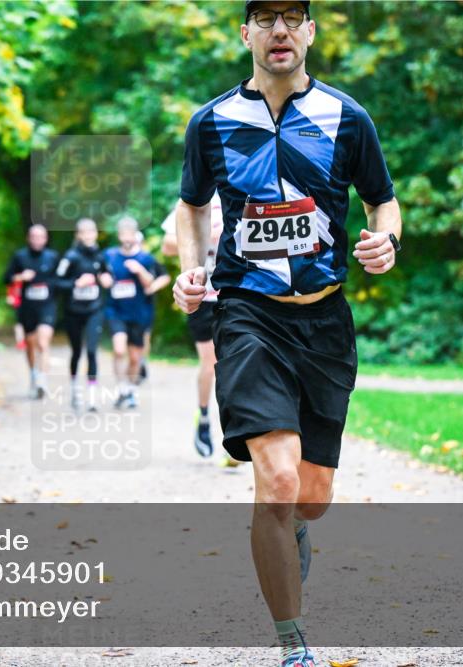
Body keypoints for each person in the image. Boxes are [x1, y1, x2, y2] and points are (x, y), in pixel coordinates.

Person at [171, 2, 402, 666]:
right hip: (248, 315)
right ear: (245, 32)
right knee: (275, 481)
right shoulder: (212, 121)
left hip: (325, 321)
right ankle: (292, 643)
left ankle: (294, 529)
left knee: (311, 498)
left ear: (310, 32)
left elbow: (382, 200)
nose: (280, 29)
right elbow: (191, 206)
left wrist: (386, 239)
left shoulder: (346, 117)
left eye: (293, 16)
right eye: (265, 17)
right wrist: (192, 268)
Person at [161, 192, 226, 457]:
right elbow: (167, 244)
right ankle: (204, 416)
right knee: (211, 364)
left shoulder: (245, 191)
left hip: (234, 295)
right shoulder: (196, 198)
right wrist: (204, 237)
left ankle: (237, 431)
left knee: (237, 363)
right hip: (202, 297)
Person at [104, 217, 170, 409]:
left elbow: (154, 281)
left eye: (129, 235)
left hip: (139, 313)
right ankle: (121, 388)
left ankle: (131, 390)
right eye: (123, 234)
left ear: (135, 236)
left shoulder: (145, 259)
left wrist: (140, 271)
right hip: (116, 311)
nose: (126, 238)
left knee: (135, 358)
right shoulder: (109, 256)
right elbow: (99, 271)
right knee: (118, 350)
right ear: (119, 236)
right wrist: (103, 277)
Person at [55, 218, 113, 412]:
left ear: (96, 233)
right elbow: (56, 282)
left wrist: (107, 280)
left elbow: (108, 277)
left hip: (94, 310)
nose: (89, 236)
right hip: (73, 312)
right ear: (78, 235)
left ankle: (92, 397)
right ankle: (74, 389)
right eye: (84, 232)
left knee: (92, 351)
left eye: (92, 231)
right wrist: (76, 284)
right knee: (77, 352)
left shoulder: (100, 256)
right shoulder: (70, 257)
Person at [3, 224, 59, 398]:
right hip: (27, 307)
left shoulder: (53, 257)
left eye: (40, 237)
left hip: (47, 305)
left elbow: (61, 279)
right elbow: (6, 278)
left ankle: (43, 379)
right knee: (30, 343)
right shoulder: (20, 256)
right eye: (34, 236)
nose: (37, 240)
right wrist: (20, 277)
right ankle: (34, 375)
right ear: (28, 238)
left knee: (43, 342)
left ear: (46, 239)